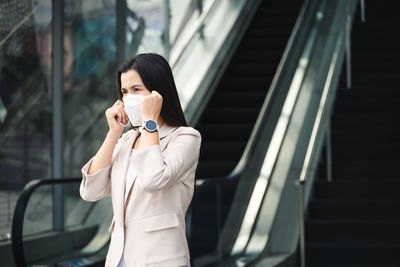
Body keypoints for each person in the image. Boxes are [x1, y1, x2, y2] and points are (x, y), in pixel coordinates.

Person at [79, 53, 201, 267]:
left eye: (137, 90)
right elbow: (90, 191)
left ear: (158, 92)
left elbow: (153, 180)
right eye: (125, 92)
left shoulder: (185, 138)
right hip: (119, 260)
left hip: (161, 261)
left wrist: (150, 122)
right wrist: (114, 133)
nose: (129, 98)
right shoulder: (127, 140)